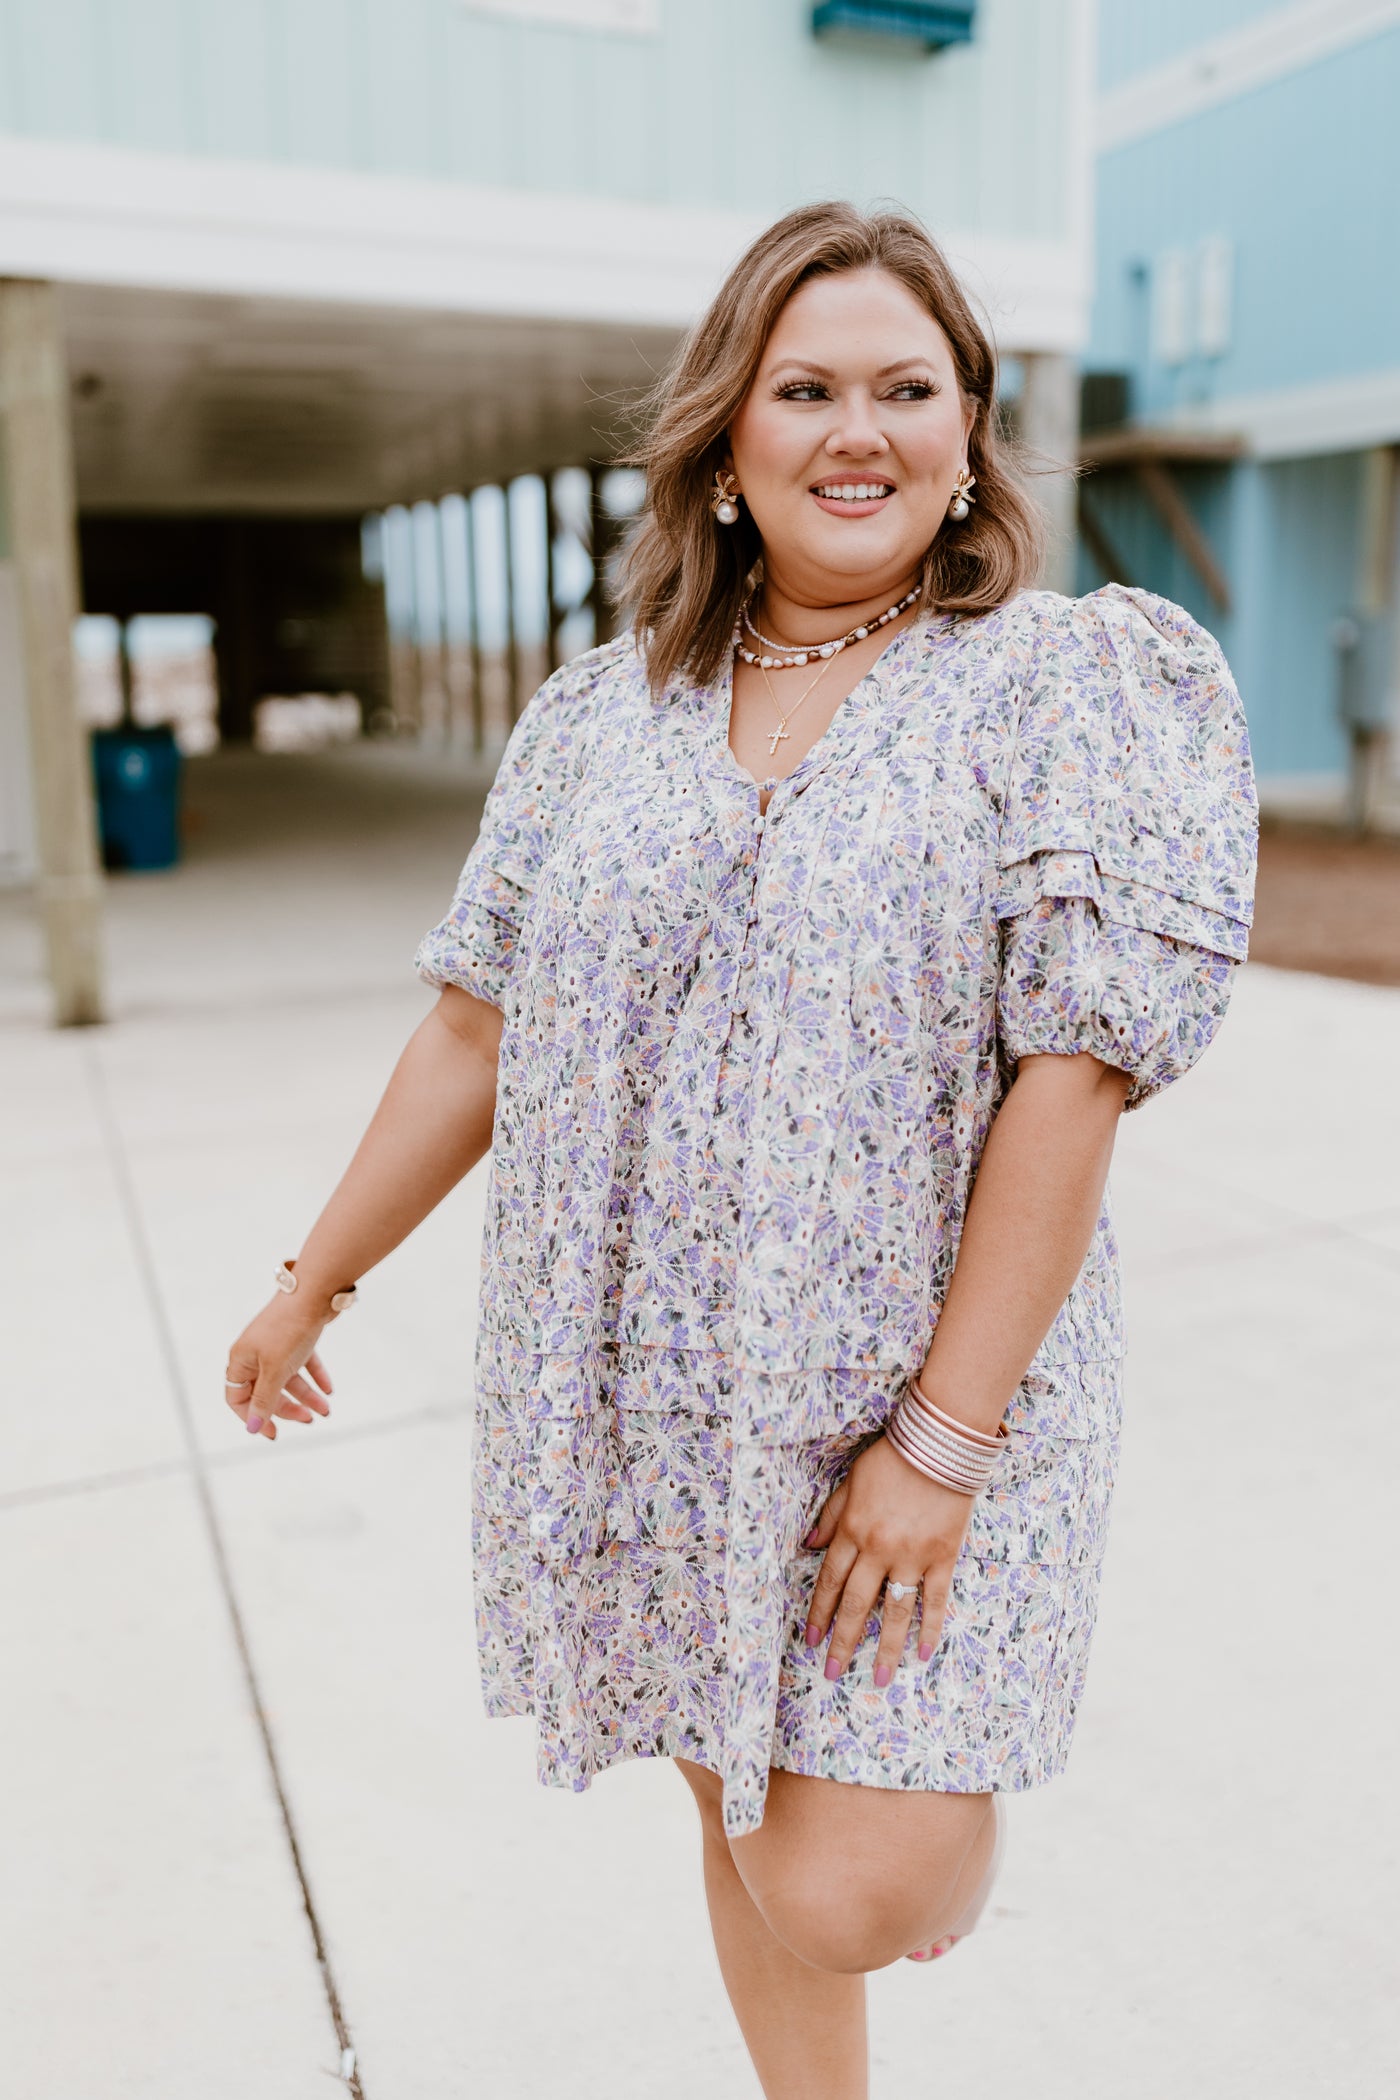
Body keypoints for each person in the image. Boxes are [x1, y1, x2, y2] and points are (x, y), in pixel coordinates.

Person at [224, 202, 1258, 2100]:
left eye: (904, 387)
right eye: (805, 388)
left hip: (921, 1394)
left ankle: (936, 1814)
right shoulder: (597, 722)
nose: (854, 429)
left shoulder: (1059, 686)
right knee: (738, 1798)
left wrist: (937, 1448)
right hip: (657, 1390)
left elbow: (1078, 1072)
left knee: (858, 1882)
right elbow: (478, 1019)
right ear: (725, 439)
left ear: (966, 435)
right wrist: (314, 1279)